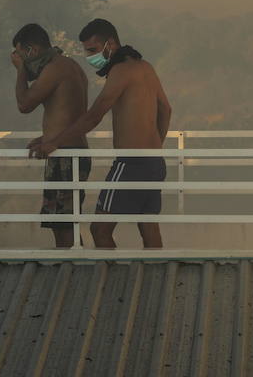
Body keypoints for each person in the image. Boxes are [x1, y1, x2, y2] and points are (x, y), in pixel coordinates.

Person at [28, 19, 171, 249]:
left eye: (93, 50)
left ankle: (110, 283)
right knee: (149, 228)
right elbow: (166, 109)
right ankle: (156, 281)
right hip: (154, 163)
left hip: (131, 165)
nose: (90, 56)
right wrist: (156, 144)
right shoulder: (145, 67)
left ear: (110, 43)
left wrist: (54, 142)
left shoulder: (120, 71)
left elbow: (94, 115)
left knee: (99, 230)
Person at [11, 23, 91, 248]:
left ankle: (71, 275)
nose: (19, 59)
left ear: (32, 50)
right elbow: (67, 113)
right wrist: (48, 136)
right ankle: (71, 271)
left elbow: (24, 104)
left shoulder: (55, 68)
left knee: (64, 225)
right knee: (61, 222)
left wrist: (20, 71)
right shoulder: (70, 66)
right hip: (66, 149)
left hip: (66, 155)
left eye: (19, 54)